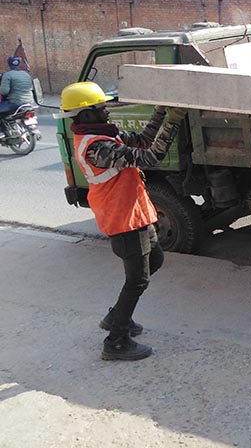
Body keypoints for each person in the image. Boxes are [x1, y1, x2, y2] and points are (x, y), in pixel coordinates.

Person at [54, 81, 186, 360]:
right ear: (86, 114)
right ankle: (115, 342)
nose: (107, 111)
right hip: (122, 219)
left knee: (155, 260)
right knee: (137, 280)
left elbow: (144, 140)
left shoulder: (105, 135)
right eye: (101, 107)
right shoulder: (96, 147)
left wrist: (160, 111)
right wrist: (173, 121)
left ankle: (116, 317)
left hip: (135, 213)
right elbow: (151, 156)